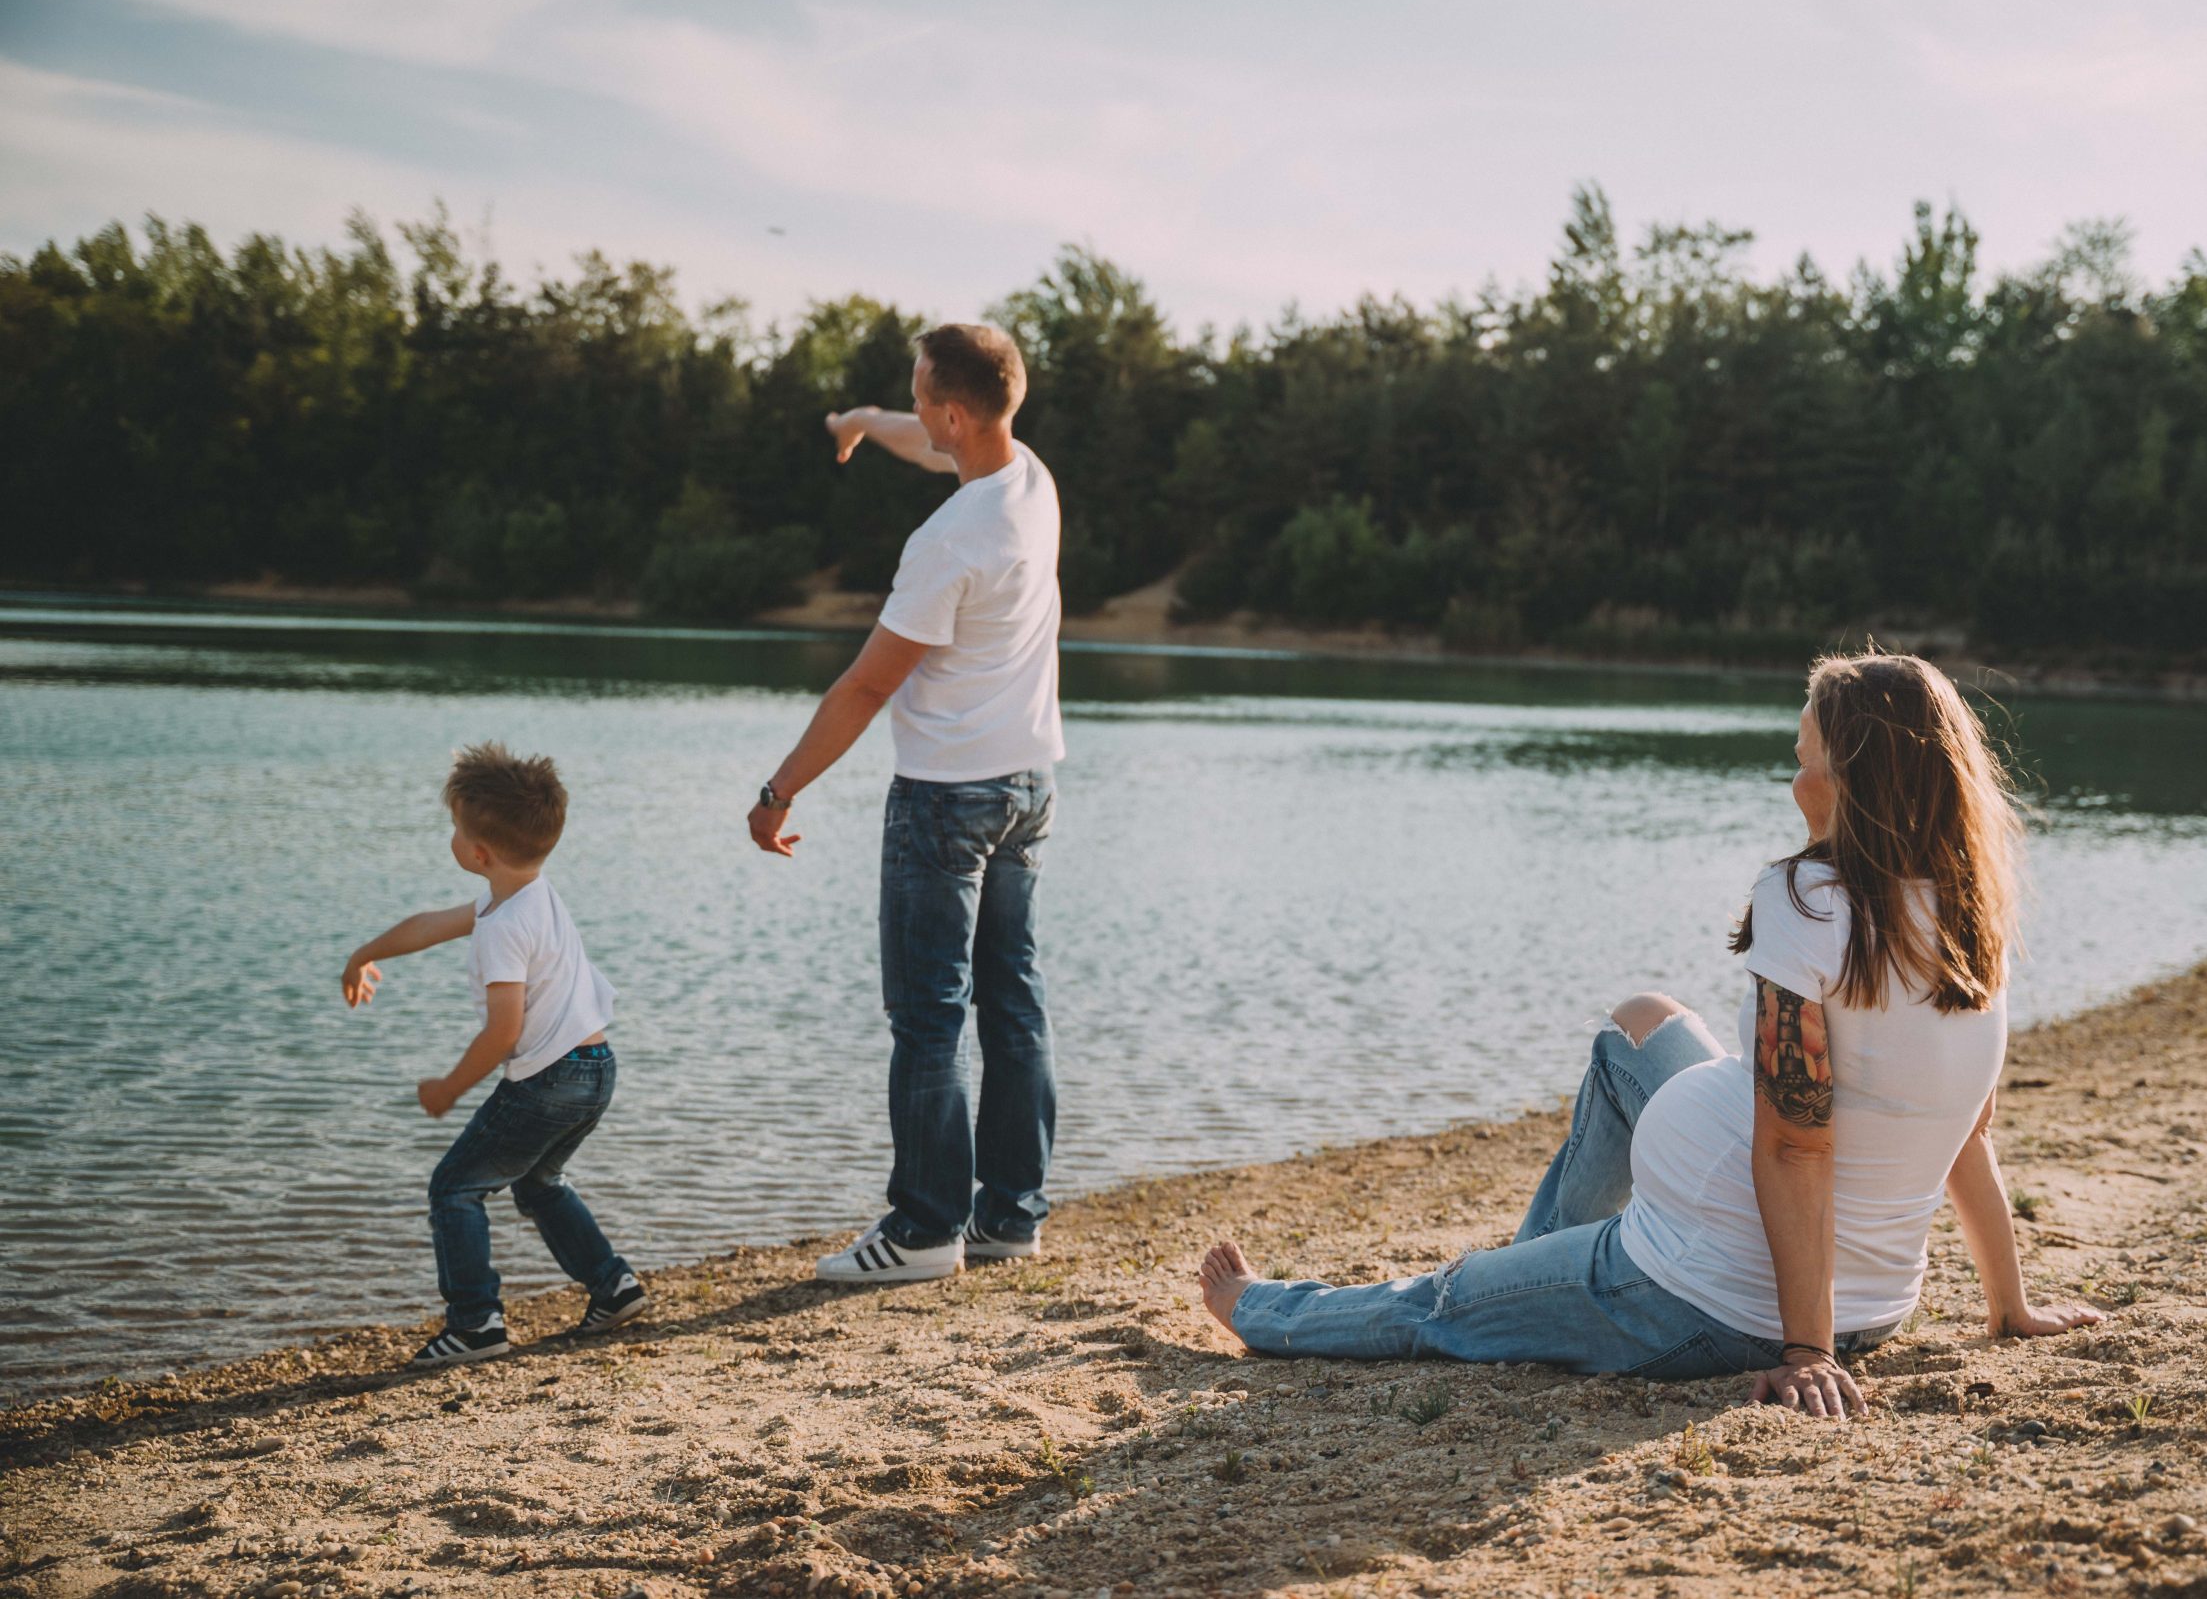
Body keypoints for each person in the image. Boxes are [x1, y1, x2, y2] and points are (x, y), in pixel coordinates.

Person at [1198, 653, 2102, 1414]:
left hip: (1700, 1294)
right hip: (1876, 1300)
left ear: (1852, 780)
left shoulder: (1805, 898)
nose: (1794, 780)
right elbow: (1964, 1132)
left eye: (1805, 759)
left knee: (1443, 1301)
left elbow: (1797, 1144)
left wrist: (1807, 1349)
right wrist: (2008, 1305)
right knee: (1637, 1028)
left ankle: (1266, 1310)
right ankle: (1530, 1265)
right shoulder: (1969, 920)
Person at [750, 322, 1064, 1286]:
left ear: (956, 414)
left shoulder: (947, 541)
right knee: (1011, 1001)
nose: (914, 409)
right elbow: (919, 437)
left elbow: (864, 687)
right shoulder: (1029, 479)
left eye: (922, 396)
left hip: (946, 800)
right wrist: (857, 419)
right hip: (1028, 786)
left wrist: (778, 790)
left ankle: (926, 1227)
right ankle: (1009, 1213)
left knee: (929, 1014)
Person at [341, 743, 644, 1366]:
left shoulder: (503, 928)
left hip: (549, 1080)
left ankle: (476, 1323)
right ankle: (613, 1286)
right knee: (538, 1182)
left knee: (454, 1187)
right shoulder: (527, 896)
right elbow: (430, 925)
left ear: (479, 853)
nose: (452, 836)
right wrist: (364, 954)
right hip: (596, 1068)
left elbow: (504, 1032)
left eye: (456, 828)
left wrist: (449, 1087)